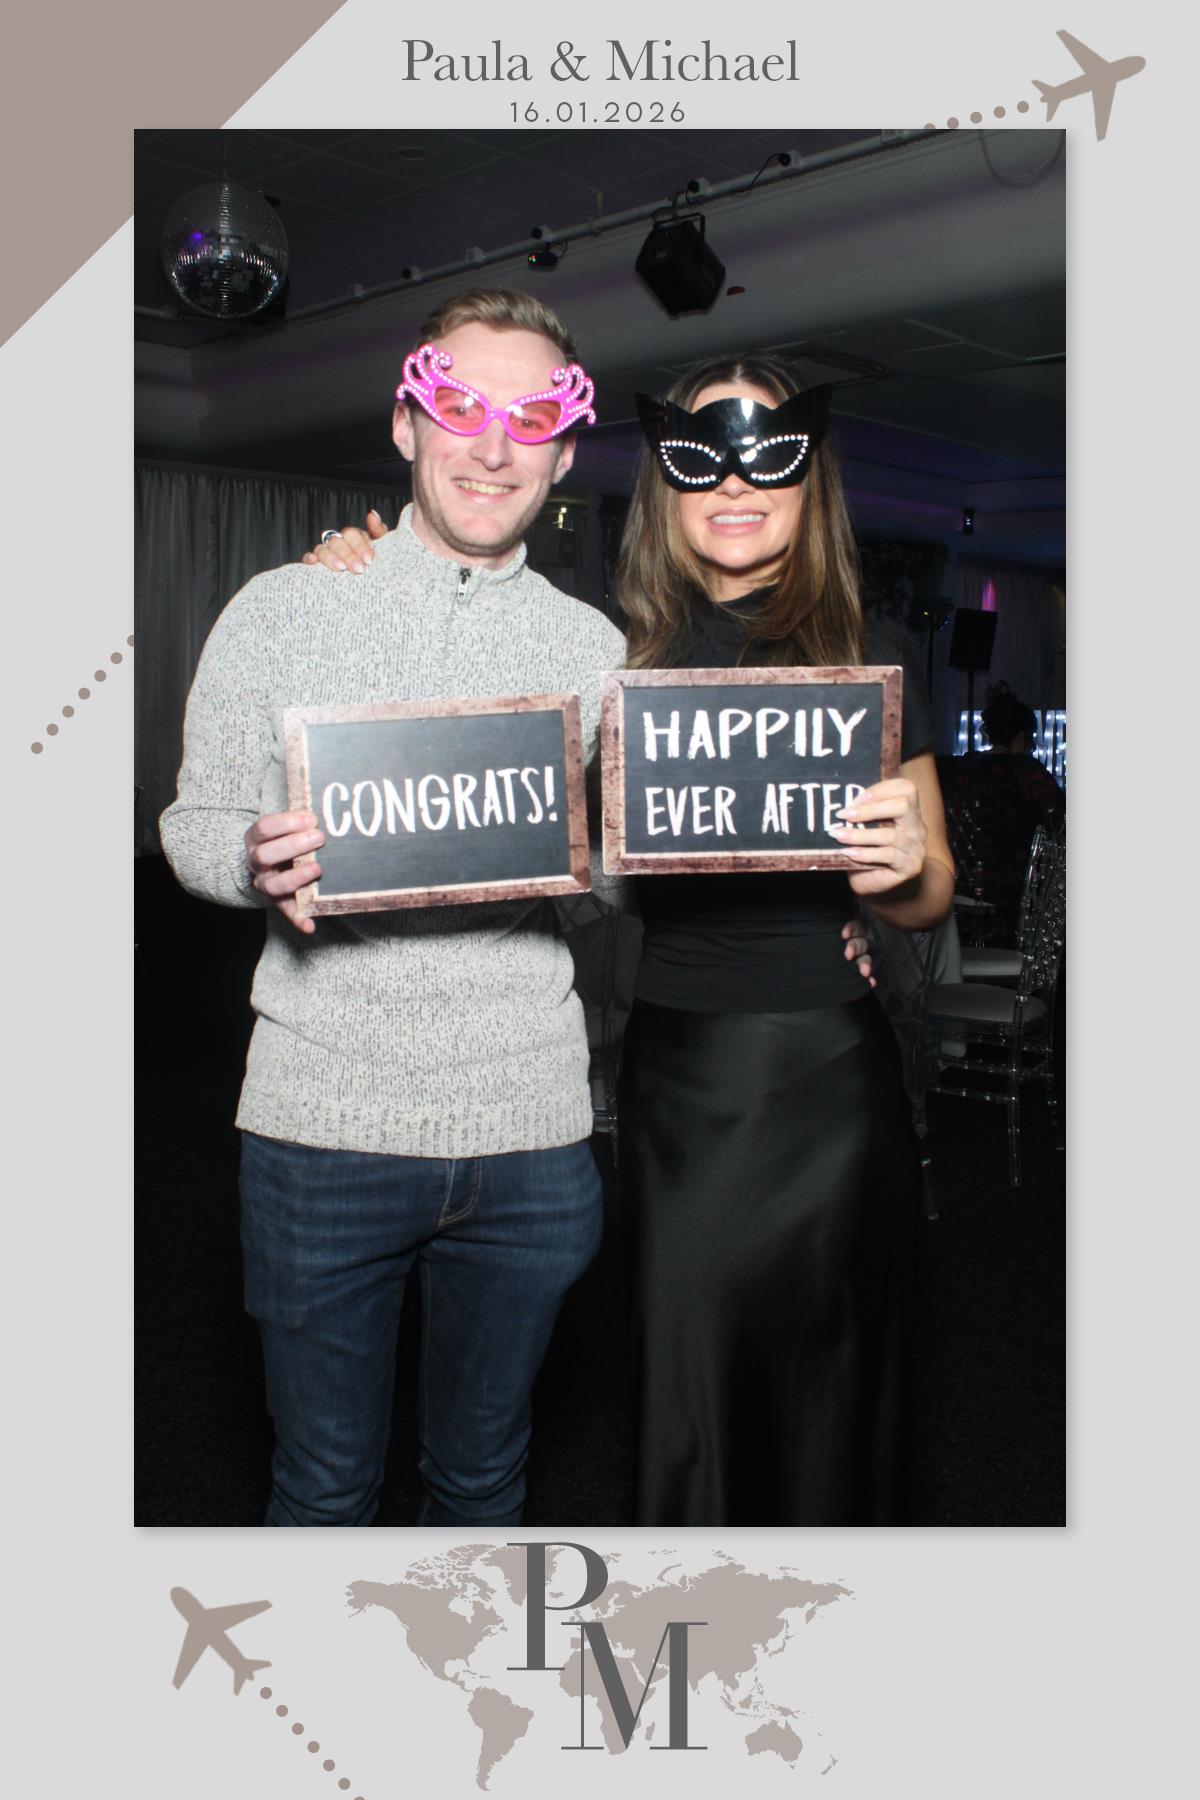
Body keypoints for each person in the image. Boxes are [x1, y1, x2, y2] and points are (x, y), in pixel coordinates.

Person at [304, 348, 953, 1527]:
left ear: (810, 480)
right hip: (676, 1077)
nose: (736, 483)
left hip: (827, 1080)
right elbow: (464, 745)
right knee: (688, 1376)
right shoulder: (611, 657)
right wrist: (361, 569)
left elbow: (930, 894)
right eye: (703, 460)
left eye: (769, 456)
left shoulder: (876, 648)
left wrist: (900, 876)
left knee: (829, 1387)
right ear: (666, 485)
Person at [159, 289, 631, 1527]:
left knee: (484, 1482)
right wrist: (253, 860)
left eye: (530, 421)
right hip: (323, 1123)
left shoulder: (597, 650)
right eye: (460, 409)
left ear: (564, 455)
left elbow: (619, 881)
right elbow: (193, 826)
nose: (493, 447)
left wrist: (642, 858)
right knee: (322, 1490)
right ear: (406, 425)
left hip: (531, 1132)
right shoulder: (286, 606)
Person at [940, 680, 1064, 941]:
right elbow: (1061, 820)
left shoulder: (962, 768)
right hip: (1013, 895)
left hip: (957, 890)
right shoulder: (1026, 772)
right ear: (1020, 736)